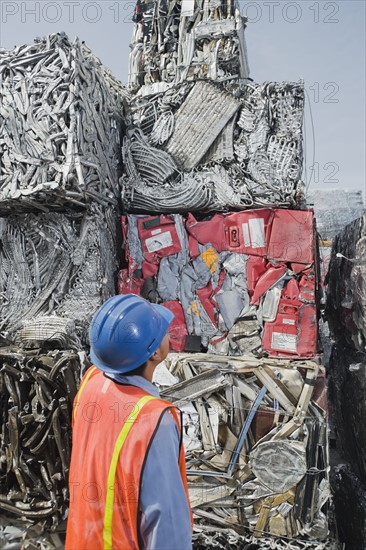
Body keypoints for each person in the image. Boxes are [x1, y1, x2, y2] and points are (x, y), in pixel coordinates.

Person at [65, 294, 193, 550]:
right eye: (162, 332)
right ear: (155, 353)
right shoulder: (154, 420)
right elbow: (165, 524)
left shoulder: (91, 382)